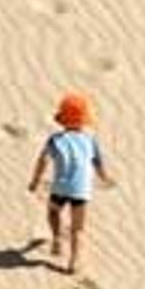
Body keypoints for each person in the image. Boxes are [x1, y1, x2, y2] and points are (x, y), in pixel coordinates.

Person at [26, 91, 113, 275]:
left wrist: (35, 181)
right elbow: (98, 162)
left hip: (61, 186)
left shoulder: (55, 139)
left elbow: (43, 160)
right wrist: (105, 178)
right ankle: (74, 261)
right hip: (81, 190)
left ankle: (57, 237)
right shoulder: (89, 140)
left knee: (53, 210)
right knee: (78, 229)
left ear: (62, 121)